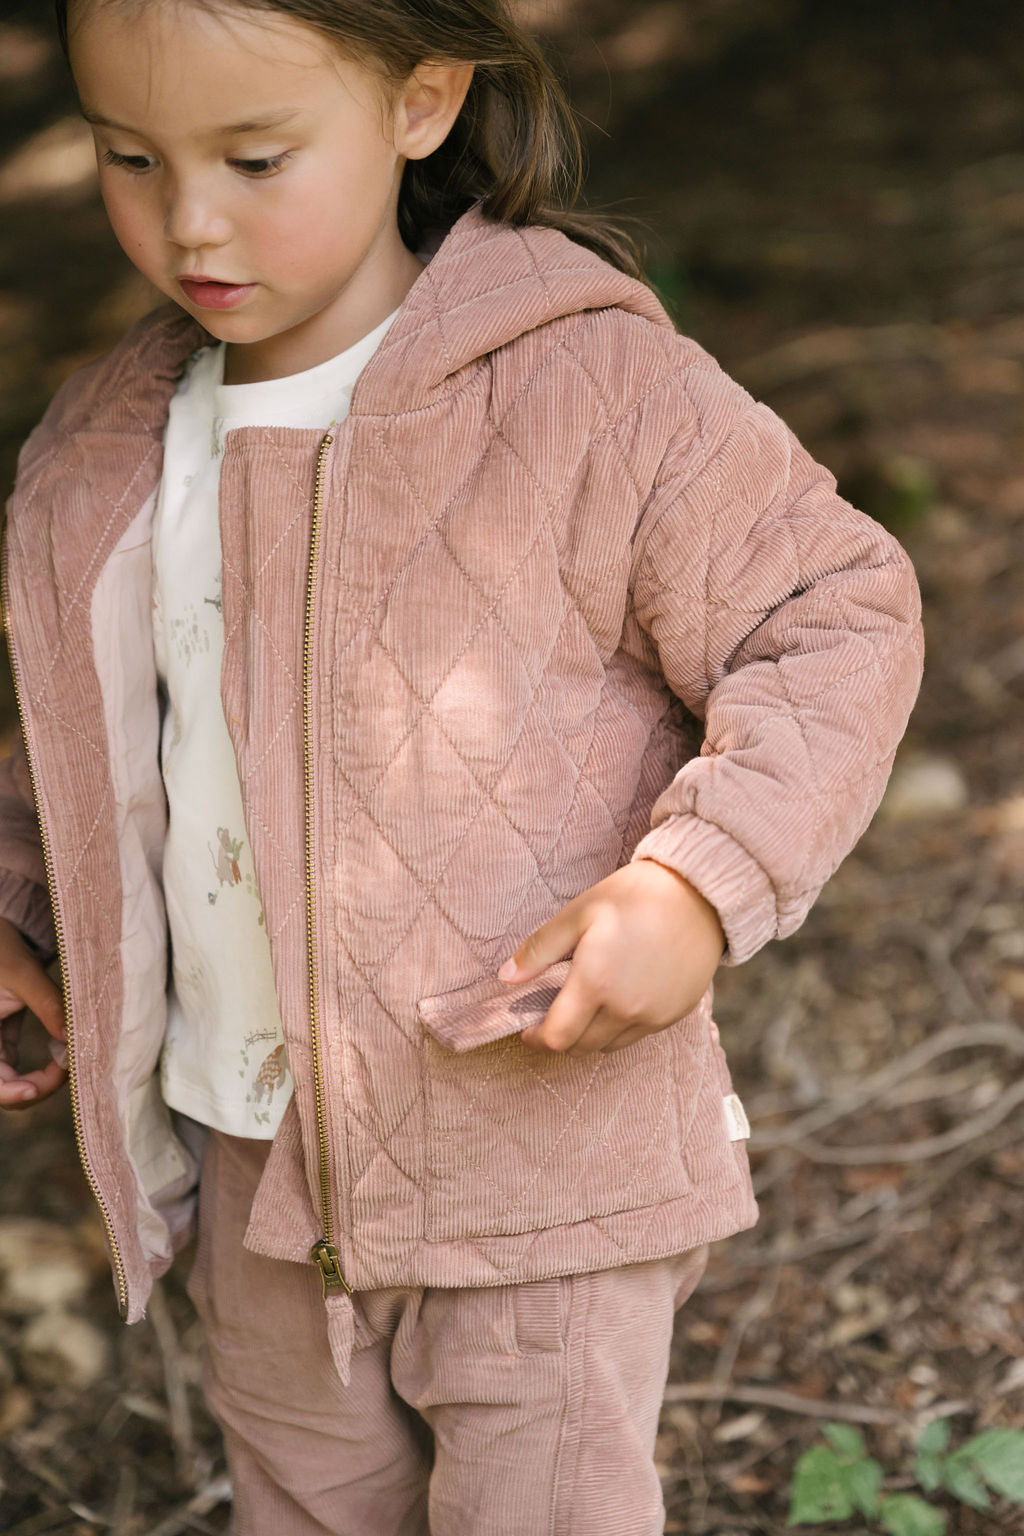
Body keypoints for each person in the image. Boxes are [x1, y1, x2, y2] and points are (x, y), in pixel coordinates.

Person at [0, 1, 924, 1532]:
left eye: (253, 154)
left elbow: (833, 613)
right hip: (251, 1137)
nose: (189, 218)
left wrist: (697, 884)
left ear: (422, 101)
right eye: (128, 156)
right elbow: (84, 726)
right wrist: (23, 905)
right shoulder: (104, 439)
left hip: (529, 1134)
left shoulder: (581, 389)